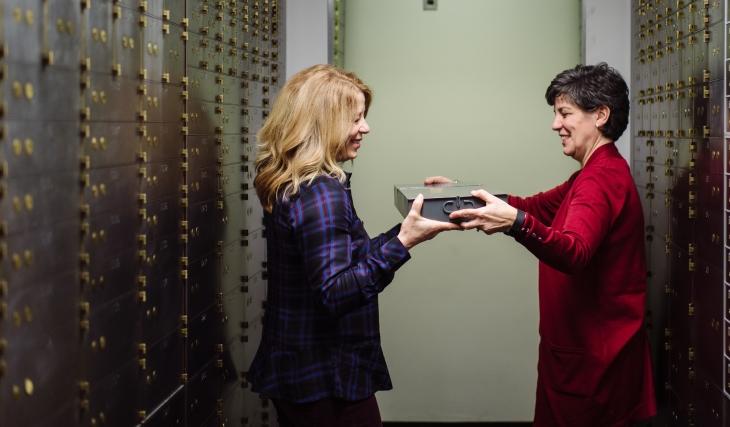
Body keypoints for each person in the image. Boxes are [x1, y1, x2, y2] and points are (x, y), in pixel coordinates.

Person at [433, 63, 656, 427]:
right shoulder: (595, 171)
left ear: (601, 115)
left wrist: (515, 225)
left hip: (593, 363)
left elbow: (574, 251)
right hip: (582, 352)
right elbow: (535, 207)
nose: (556, 125)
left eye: (565, 113)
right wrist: (466, 198)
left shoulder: (600, 179)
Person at [247, 64, 459, 427]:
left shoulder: (301, 181)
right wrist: (404, 242)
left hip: (303, 370)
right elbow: (335, 292)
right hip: (324, 378)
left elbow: (345, 259)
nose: (365, 128)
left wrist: (408, 231)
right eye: (355, 119)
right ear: (323, 122)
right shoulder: (319, 192)